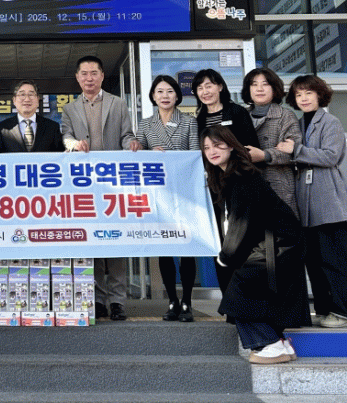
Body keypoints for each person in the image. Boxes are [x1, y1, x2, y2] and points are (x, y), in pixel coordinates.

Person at [202, 125, 310, 364]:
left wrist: (226, 256)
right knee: (256, 294)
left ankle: (270, 344)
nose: (212, 151)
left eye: (218, 145)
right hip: (276, 242)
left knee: (238, 295)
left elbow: (241, 223)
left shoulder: (241, 176)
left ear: (231, 146)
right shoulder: (229, 175)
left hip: (279, 243)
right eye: (207, 148)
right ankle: (279, 342)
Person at [61, 55, 141, 321]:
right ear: (77, 78)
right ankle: (97, 298)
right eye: (84, 73)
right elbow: (66, 136)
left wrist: (131, 144)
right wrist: (73, 144)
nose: (89, 78)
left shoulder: (118, 103)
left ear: (102, 76)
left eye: (94, 73)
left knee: (116, 241)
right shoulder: (69, 108)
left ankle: (117, 301)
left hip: (113, 185)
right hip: (84, 186)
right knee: (91, 240)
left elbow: (126, 134)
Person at [276, 75, 347, 328]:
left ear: (319, 94)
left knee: (333, 260)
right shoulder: (298, 124)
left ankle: (342, 312)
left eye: (308, 93)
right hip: (306, 206)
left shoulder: (331, 122)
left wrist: (295, 151)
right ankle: (324, 309)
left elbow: (330, 156)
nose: (303, 98)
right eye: (298, 94)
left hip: (329, 204)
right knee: (314, 262)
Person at [136, 75, 199, 322]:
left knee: (186, 248)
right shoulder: (145, 124)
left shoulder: (189, 121)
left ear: (177, 95)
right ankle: (172, 300)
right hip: (158, 193)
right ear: (153, 96)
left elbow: (194, 154)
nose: (165, 96)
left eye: (170, 91)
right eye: (160, 91)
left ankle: (187, 301)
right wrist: (147, 152)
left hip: (184, 191)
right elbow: (137, 155)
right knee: (165, 248)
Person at [241, 68, 301, 217]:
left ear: (274, 88)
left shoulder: (285, 116)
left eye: (265, 84)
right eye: (254, 84)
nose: (259, 89)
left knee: (282, 228)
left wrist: (265, 155)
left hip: (279, 185)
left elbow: (294, 152)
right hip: (247, 185)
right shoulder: (241, 115)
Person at [193, 68, 260, 147]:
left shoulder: (238, 112)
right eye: (200, 88)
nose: (205, 92)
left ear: (220, 87)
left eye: (208, 86)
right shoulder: (199, 119)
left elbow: (252, 144)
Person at [0, 80, 65, 153]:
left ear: (38, 100)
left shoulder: (52, 127)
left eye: (31, 95)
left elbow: (60, 155)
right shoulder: (2, 128)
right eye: (22, 95)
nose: (27, 99)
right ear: (14, 100)